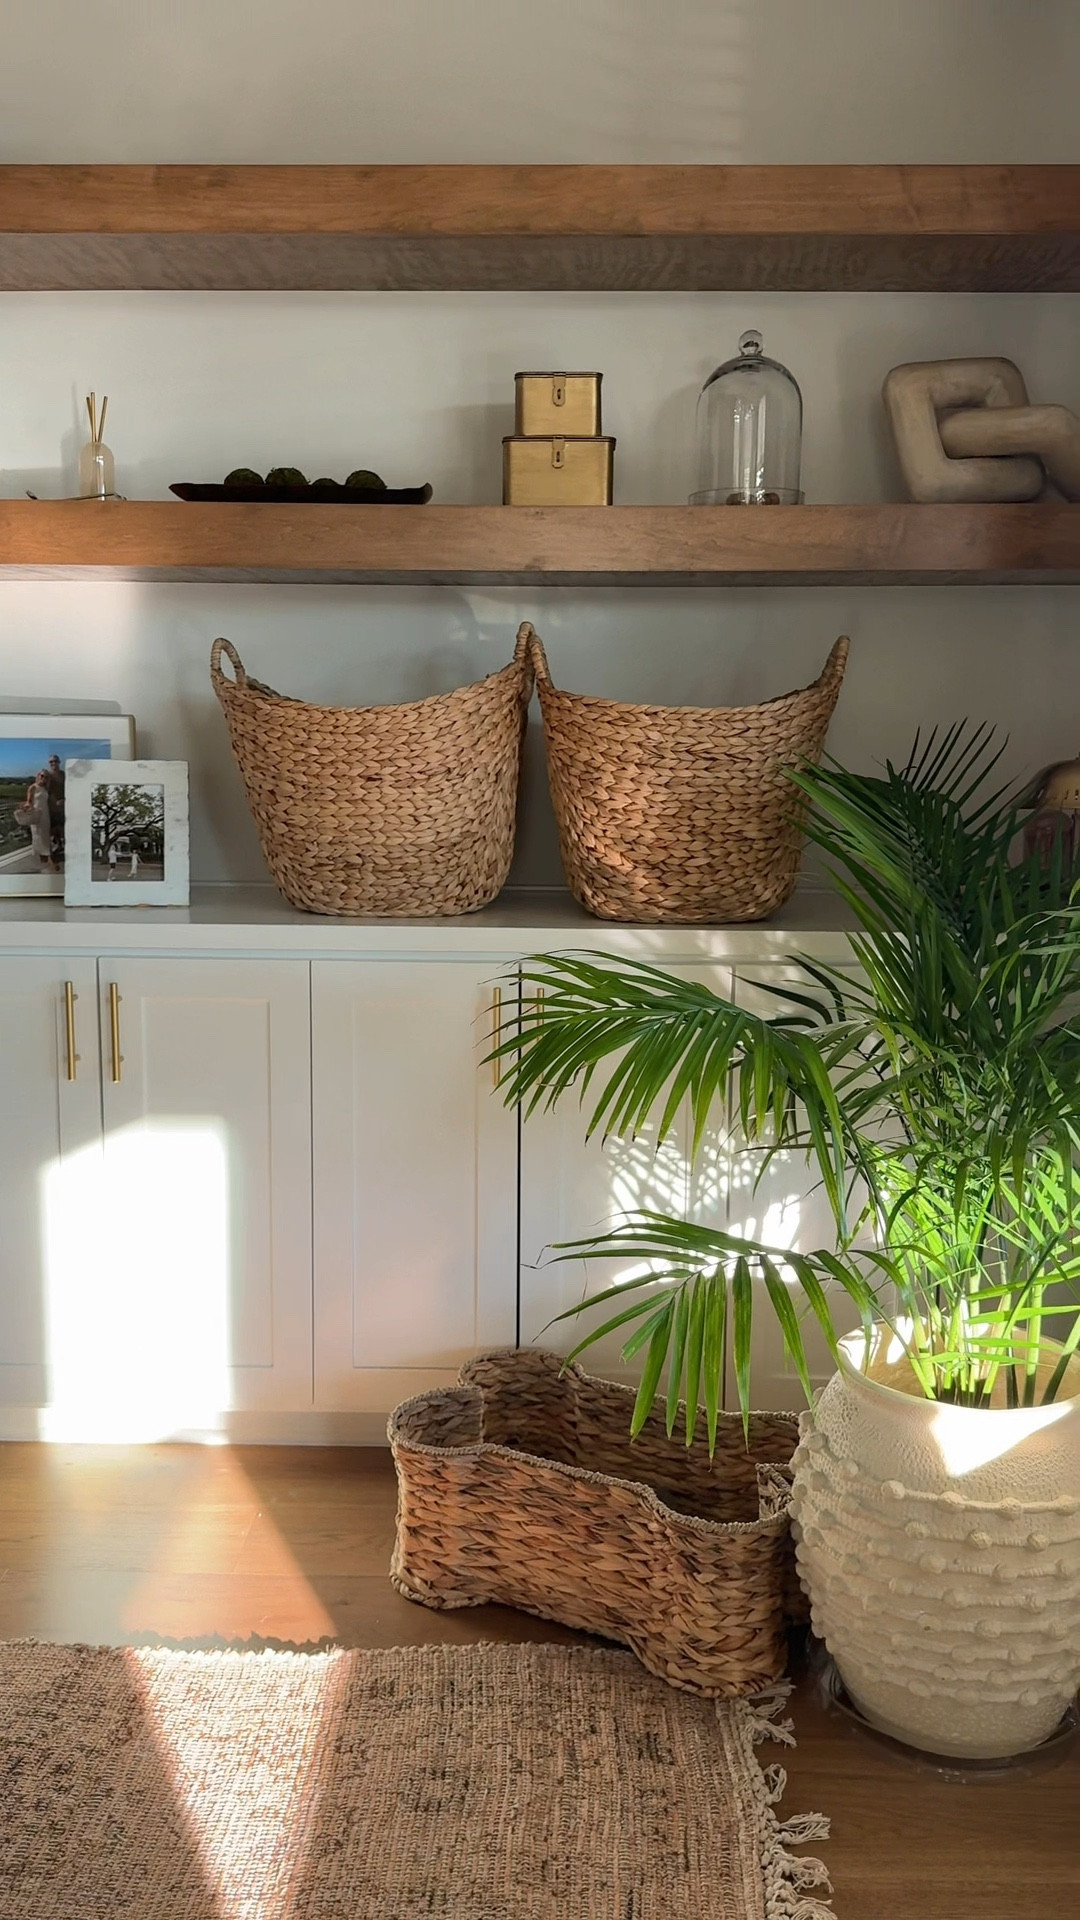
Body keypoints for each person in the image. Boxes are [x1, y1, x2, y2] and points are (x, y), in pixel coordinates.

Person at [14, 771, 58, 874]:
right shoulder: (33, 787)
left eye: (46, 777)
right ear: (38, 776)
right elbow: (29, 801)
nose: (44, 778)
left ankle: (46, 858)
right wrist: (26, 807)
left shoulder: (45, 788)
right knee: (38, 836)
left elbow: (48, 801)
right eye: (42, 776)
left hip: (45, 815)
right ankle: (48, 859)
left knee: (45, 836)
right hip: (36, 815)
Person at [44, 755, 66, 862]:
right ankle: (59, 844)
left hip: (64, 804)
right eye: (51, 762)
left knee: (62, 825)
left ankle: (62, 844)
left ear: (59, 762)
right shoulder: (48, 776)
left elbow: (68, 788)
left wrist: (64, 799)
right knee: (53, 827)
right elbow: (47, 791)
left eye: (55, 761)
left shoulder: (63, 775)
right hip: (52, 805)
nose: (53, 763)